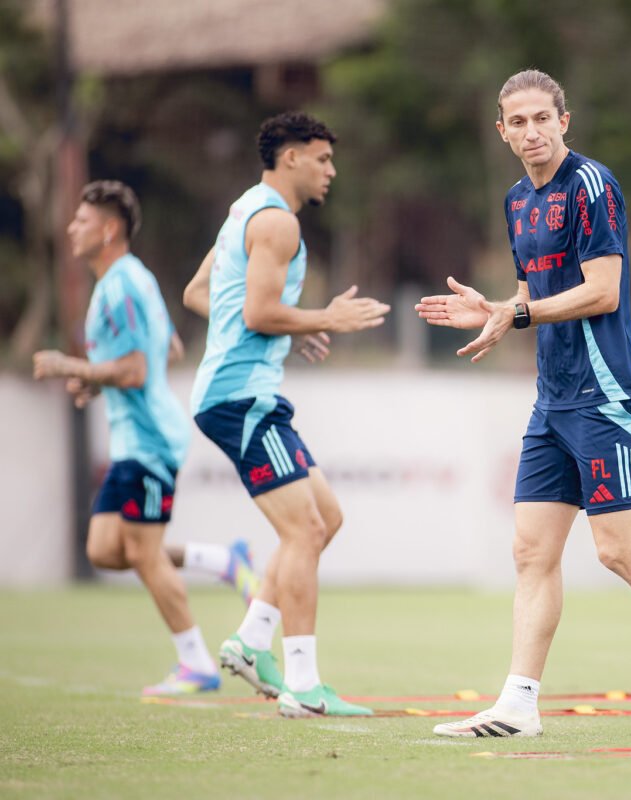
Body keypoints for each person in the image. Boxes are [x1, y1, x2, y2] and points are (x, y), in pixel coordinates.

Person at [415, 69, 631, 739]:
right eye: (519, 121)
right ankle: (518, 703)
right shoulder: (515, 200)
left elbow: (602, 290)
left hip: (607, 395)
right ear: (501, 129)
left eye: (544, 118)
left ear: (564, 121)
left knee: (619, 551)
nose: (532, 131)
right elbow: (528, 291)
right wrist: (495, 311)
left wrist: (518, 311)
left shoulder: (593, 185)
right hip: (553, 398)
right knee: (530, 553)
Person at [183, 111, 390, 718]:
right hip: (241, 397)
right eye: (323, 158)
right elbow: (254, 313)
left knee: (325, 517)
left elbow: (204, 293)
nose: (331, 170)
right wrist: (321, 318)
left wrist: (283, 328)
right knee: (303, 531)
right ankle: (301, 685)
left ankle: (249, 644)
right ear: (292, 156)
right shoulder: (277, 223)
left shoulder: (246, 210)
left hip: (244, 390)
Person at [33, 180, 257, 696]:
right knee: (106, 549)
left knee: (143, 551)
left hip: (150, 440)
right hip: (134, 439)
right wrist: (95, 378)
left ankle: (196, 664)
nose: (72, 227)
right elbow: (169, 348)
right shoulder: (124, 280)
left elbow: (137, 370)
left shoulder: (122, 284)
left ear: (109, 229)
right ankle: (225, 563)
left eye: (82, 221)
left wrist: (75, 366)